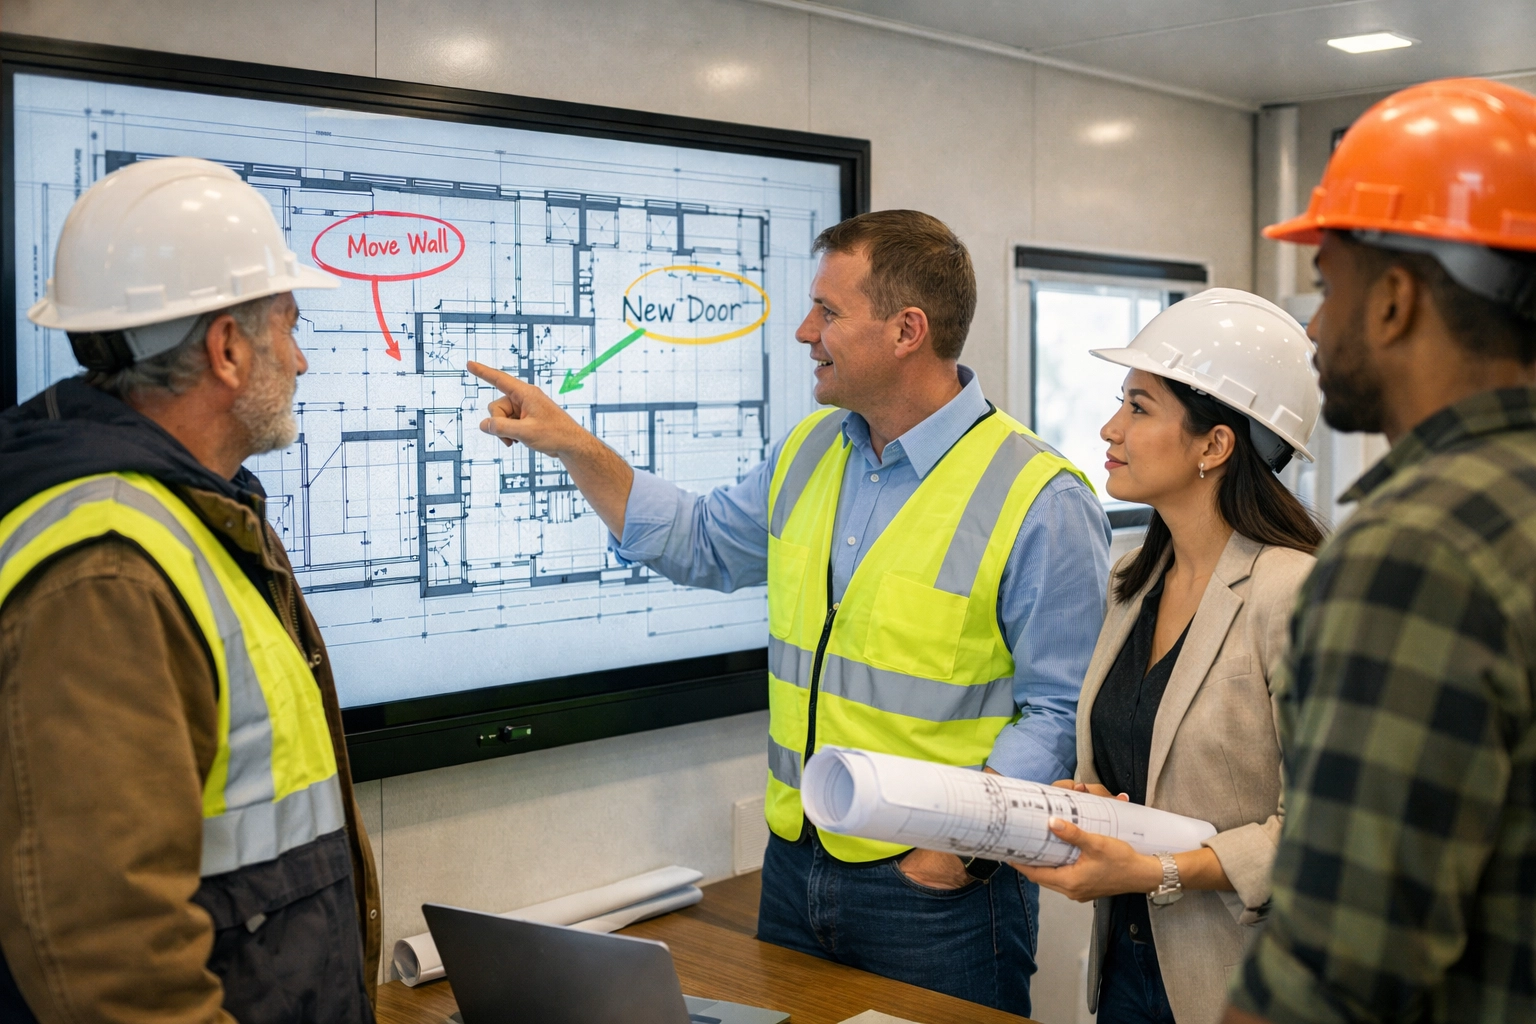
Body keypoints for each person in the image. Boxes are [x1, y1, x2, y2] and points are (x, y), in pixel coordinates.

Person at [467, 209, 1111, 1015]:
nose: (806, 331)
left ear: (908, 329)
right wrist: (573, 445)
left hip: (935, 895)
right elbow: (699, 541)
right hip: (797, 866)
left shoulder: (1039, 497)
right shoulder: (809, 450)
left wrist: (954, 854)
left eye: (829, 312)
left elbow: (1060, 713)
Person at [0, 158, 380, 1023]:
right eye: (288, 326)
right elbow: (112, 959)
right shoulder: (105, 573)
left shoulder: (190, 517)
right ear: (228, 349)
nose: (302, 358)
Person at [1224, 78, 1536, 1024]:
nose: (1314, 328)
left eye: (1328, 287)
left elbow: (1335, 973)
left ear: (1396, 299)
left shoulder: (1416, 555)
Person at [1012, 289, 1324, 1024]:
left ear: (1215, 444)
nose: (1110, 427)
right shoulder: (1133, 582)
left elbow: (1320, 826)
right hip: (1128, 967)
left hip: (1242, 984)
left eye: (1140, 407)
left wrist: (1157, 871)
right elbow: (1134, 775)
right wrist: (1086, 804)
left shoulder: (1294, 592)